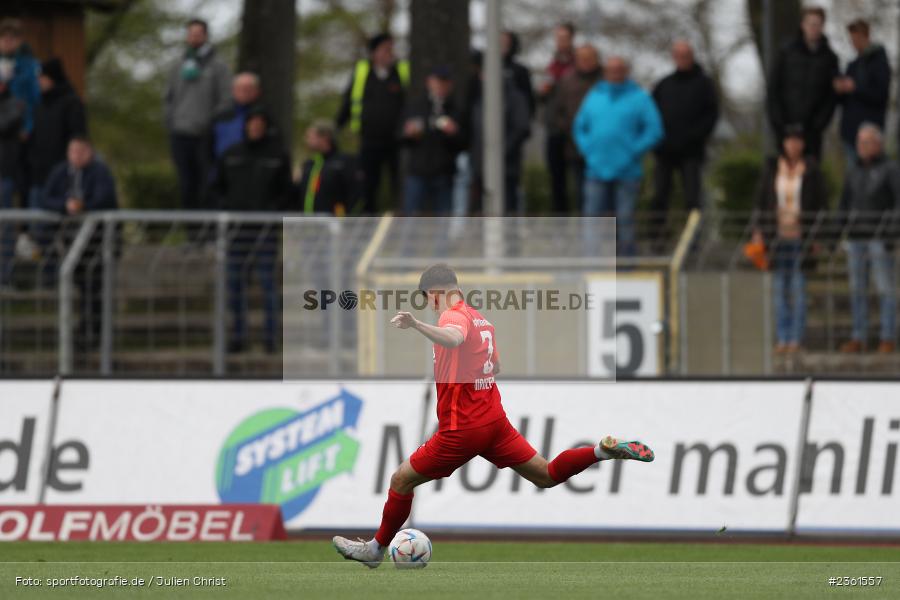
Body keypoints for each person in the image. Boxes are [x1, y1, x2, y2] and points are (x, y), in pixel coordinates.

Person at [332, 263, 654, 568]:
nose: (430, 306)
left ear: (434, 293)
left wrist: (416, 324)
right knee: (546, 474)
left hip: (462, 428)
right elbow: (495, 365)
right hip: (494, 423)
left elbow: (455, 338)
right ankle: (601, 450)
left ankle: (375, 551)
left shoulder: (452, 316)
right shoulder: (482, 320)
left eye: (428, 300)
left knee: (401, 480)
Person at [211, 109, 291, 354]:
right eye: (251, 125)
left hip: (265, 231)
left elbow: (287, 191)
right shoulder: (231, 154)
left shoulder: (277, 155)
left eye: (259, 125)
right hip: (236, 231)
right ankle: (238, 336)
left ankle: (270, 338)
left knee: (267, 284)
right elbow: (216, 189)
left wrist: (273, 211)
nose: (254, 129)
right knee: (234, 285)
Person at [573, 56, 663, 257]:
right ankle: (591, 262)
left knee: (624, 219)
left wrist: (633, 151)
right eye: (611, 70)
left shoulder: (640, 98)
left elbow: (654, 130)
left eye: (619, 70)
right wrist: (588, 149)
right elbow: (579, 127)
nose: (615, 74)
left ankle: (625, 264)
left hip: (627, 170)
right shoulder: (594, 95)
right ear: (605, 72)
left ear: (626, 72)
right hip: (595, 169)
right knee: (592, 219)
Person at [751, 126, 827, 354]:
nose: (793, 145)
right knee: (779, 289)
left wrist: (817, 234)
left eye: (797, 140)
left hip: (800, 237)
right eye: (789, 140)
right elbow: (761, 200)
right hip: (776, 237)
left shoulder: (812, 170)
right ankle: (783, 337)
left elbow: (821, 204)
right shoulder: (772, 169)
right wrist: (758, 230)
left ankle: (796, 338)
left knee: (798, 287)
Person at [41, 137, 118, 351]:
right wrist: (66, 206)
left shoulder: (99, 172)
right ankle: (80, 334)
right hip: (71, 243)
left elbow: (105, 199)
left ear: (89, 152)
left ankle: (95, 335)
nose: (75, 156)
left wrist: (83, 206)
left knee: (95, 290)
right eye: (72, 151)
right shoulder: (61, 172)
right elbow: (46, 198)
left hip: (97, 244)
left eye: (80, 151)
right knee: (79, 288)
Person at [838, 124, 900, 354]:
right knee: (857, 290)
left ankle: (888, 336)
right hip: (855, 238)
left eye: (866, 142)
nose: (861, 147)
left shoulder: (890, 169)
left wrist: (890, 233)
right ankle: (859, 335)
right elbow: (843, 203)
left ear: (878, 144)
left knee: (885, 289)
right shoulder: (853, 170)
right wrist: (840, 229)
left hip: (879, 238)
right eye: (859, 142)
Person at [335, 33, 409, 214]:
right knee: (367, 184)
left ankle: (398, 216)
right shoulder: (362, 72)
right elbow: (349, 101)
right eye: (385, 49)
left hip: (396, 141)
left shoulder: (401, 72)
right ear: (374, 53)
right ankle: (369, 219)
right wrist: (336, 126)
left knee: (398, 183)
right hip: (369, 139)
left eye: (391, 49)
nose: (390, 53)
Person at [164, 18, 231, 210]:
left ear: (206, 36)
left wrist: (210, 122)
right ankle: (190, 233)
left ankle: (206, 231)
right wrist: (171, 122)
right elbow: (168, 97)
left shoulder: (218, 66)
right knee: (186, 184)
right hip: (180, 133)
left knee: (206, 183)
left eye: (198, 33)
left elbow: (226, 99)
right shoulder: (177, 65)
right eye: (191, 33)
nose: (194, 37)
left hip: (205, 135)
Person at [651, 40, 718, 217]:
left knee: (693, 198)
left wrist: (694, 137)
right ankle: (658, 240)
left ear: (692, 56)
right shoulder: (664, 85)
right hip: (665, 151)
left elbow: (711, 115)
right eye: (678, 55)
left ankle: (693, 242)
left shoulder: (704, 84)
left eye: (685, 55)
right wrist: (659, 142)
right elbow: (651, 116)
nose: (682, 59)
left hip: (692, 152)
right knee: (660, 196)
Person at [766, 6, 839, 158]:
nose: (813, 28)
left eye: (817, 24)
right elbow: (773, 90)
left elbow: (830, 98)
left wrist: (817, 126)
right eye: (810, 23)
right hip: (785, 131)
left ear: (822, 26)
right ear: (803, 25)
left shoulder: (830, 58)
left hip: (812, 134)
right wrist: (780, 125)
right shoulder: (786, 52)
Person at [469, 62, 531, 215]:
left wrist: (500, 151)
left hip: (506, 167)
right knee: (481, 211)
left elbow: (521, 128)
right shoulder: (480, 98)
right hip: (480, 166)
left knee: (507, 211)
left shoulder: (514, 97)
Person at [401, 66, 464, 216]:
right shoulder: (415, 106)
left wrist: (454, 133)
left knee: (443, 218)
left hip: (444, 172)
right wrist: (408, 133)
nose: (441, 86)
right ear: (429, 82)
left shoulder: (455, 109)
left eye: (445, 82)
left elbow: (464, 143)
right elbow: (400, 137)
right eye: (438, 82)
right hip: (418, 171)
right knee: (411, 217)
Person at [548, 44, 602, 215]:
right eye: (581, 58)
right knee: (580, 194)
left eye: (589, 58)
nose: (585, 62)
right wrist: (572, 129)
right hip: (574, 147)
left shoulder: (606, 81)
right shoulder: (567, 81)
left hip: (603, 149)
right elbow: (556, 112)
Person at [27, 58, 87, 210]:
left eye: (42, 77)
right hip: (38, 175)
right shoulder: (40, 105)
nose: (39, 81)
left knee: (56, 225)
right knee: (37, 220)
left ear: (52, 78)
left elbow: (78, 136)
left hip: (62, 176)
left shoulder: (71, 103)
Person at [833, 19, 890, 166]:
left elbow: (881, 95)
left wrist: (855, 88)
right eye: (851, 39)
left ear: (865, 36)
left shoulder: (879, 62)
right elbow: (843, 101)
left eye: (856, 38)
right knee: (854, 179)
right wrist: (839, 90)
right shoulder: (852, 65)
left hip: (871, 133)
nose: (853, 43)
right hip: (850, 133)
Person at [540, 23, 576, 214]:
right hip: (554, 129)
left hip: (574, 131)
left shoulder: (578, 65)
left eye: (564, 38)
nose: (560, 42)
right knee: (557, 182)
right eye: (558, 38)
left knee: (580, 183)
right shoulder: (552, 65)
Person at [296, 120, 359, 215]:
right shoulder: (309, 164)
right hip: (309, 225)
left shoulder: (345, 162)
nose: (306, 139)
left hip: (337, 225)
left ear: (325, 137)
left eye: (310, 136)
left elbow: (356, 195)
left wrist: (348, 220)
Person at [0, 75, 25, 287]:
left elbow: (5, 125)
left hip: (4, 177)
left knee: (5, 227)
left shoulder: (14, 105)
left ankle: (4, 276)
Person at [0, 19, 40, 140]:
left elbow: (35, 99)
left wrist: (28, 126)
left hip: (20, 130)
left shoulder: (32, 66)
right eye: (3, 37)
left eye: (12, 37)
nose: (7, 41)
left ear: (20, 41)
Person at [211, 72, 262, 160]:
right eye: (240, 89)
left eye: (248, 89)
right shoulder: (220, 117)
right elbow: (206, 149)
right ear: (233, 91)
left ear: (257, 92)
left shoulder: (264, 118)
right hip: (224, 169)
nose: (244, 93)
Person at [501, 31, 535, 119]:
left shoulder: (520, 71)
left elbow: (529, 100)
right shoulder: (486, 71)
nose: (503, 46)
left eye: (506, 43)